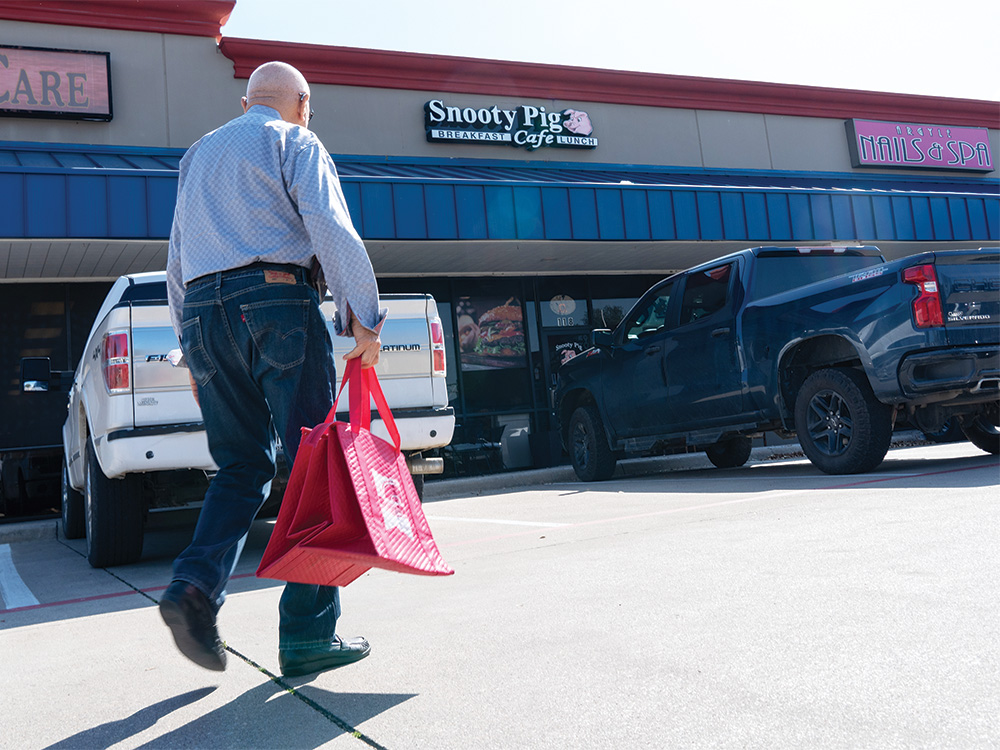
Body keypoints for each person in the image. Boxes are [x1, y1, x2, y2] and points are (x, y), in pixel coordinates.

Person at [160, 61, 385, 678]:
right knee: (314, 462)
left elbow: (177, 255)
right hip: (277, 299)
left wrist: (189, 341)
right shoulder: (294, 140)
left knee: (240, 466)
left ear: (245, 102)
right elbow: (331, 228)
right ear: (301, 103)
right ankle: (308, 634)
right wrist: (361, 317)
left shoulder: (199, 155)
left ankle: (194, 586)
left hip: (203, 311)